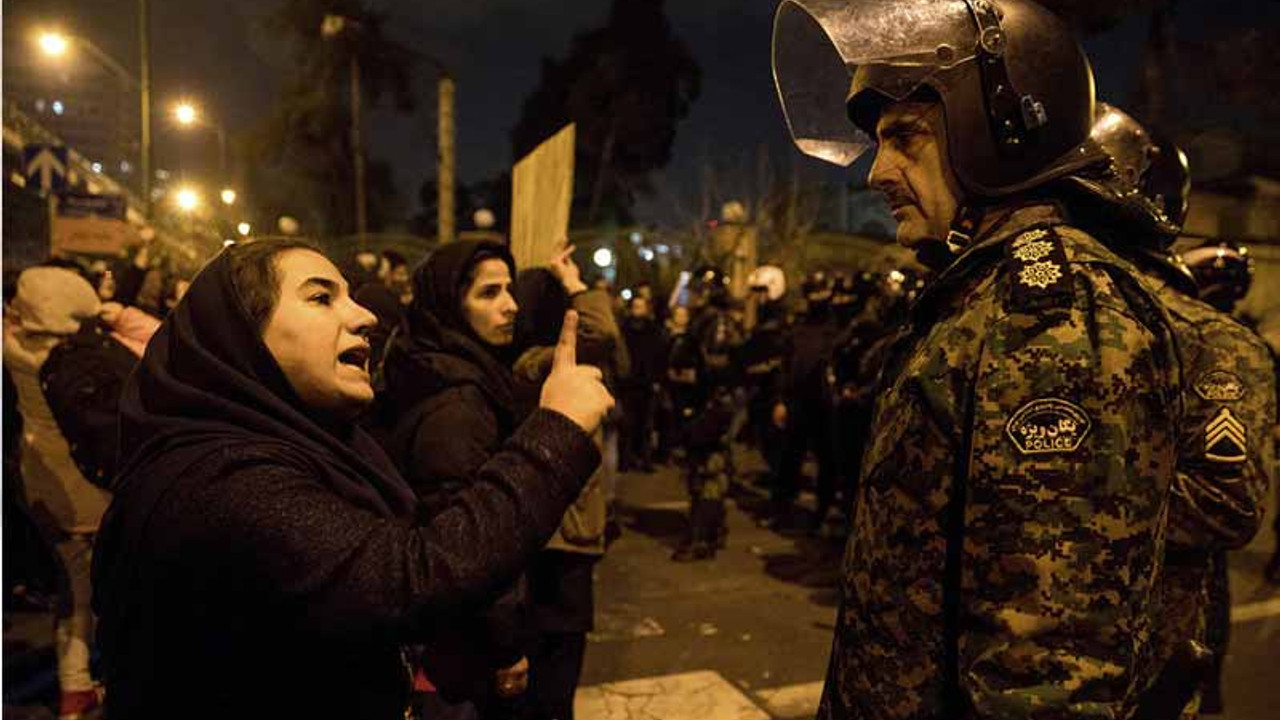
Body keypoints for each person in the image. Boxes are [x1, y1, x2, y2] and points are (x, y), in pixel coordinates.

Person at [773, 1, 1182, 717]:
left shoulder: (1051, 322)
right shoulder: (983, 292)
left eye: (905, 138)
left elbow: (1046, 674)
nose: (878, 173)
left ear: (1001, 130)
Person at [91, 238, 614, 720]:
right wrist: (557, 430)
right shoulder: (220, 481)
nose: (364, 316)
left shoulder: (294, 444)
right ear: (241, 335)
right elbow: (412, 579)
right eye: (321, 298)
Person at [1081, 103, 1276, 716]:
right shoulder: (1061, 319)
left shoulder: (1209, 340)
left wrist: (1063, 499)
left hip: (1147, 650)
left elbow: (1226, 503)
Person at [3, 266, 111, 720]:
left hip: (39, 487)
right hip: (88, 491)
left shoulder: (13, 348)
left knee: (74, 589)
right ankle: (79, 688)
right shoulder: (82, 358)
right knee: (92, 592)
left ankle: (75, 686)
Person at [668, 266, 743, 561]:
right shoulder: (703, 322)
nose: (693, 294)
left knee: (708, 473)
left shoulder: (716, 323)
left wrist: (690, 375)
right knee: (704, 470)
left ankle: (702, 537)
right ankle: (713, 531)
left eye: (699, 289)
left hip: (711, 407)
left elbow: (717, 368)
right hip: (702, 405)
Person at [619, 294, 666, 473]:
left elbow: (659, 356)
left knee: (646, 424)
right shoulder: (624, 330)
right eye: (635, 306)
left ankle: (644, 459)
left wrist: (657, 379)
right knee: (628, 425)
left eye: (641, 306)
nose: (638, 310)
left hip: (647, 383)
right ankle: (626, 460)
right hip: (629, 384)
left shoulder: (654, 331)